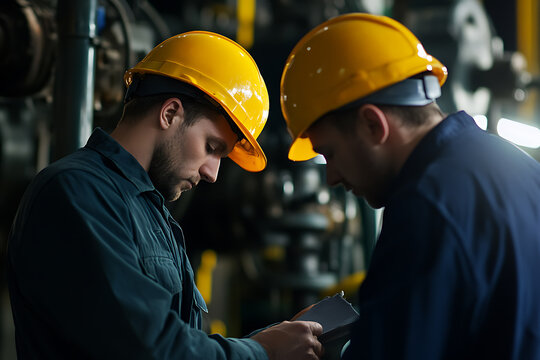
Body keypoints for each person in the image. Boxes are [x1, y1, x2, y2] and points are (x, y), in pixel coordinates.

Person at [7, 31, 323, 359]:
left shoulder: (152, 213)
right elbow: (148, 348)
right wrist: (261, 352)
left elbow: (178, 339)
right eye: (211, 148)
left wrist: (271, 340)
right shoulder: (77, 193)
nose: (212, 173)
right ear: (170, 113)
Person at [280, 12, 540, 359]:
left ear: (373, 124)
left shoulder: (427, 206)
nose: (332, 177)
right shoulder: (517, 165)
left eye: (329, 153)